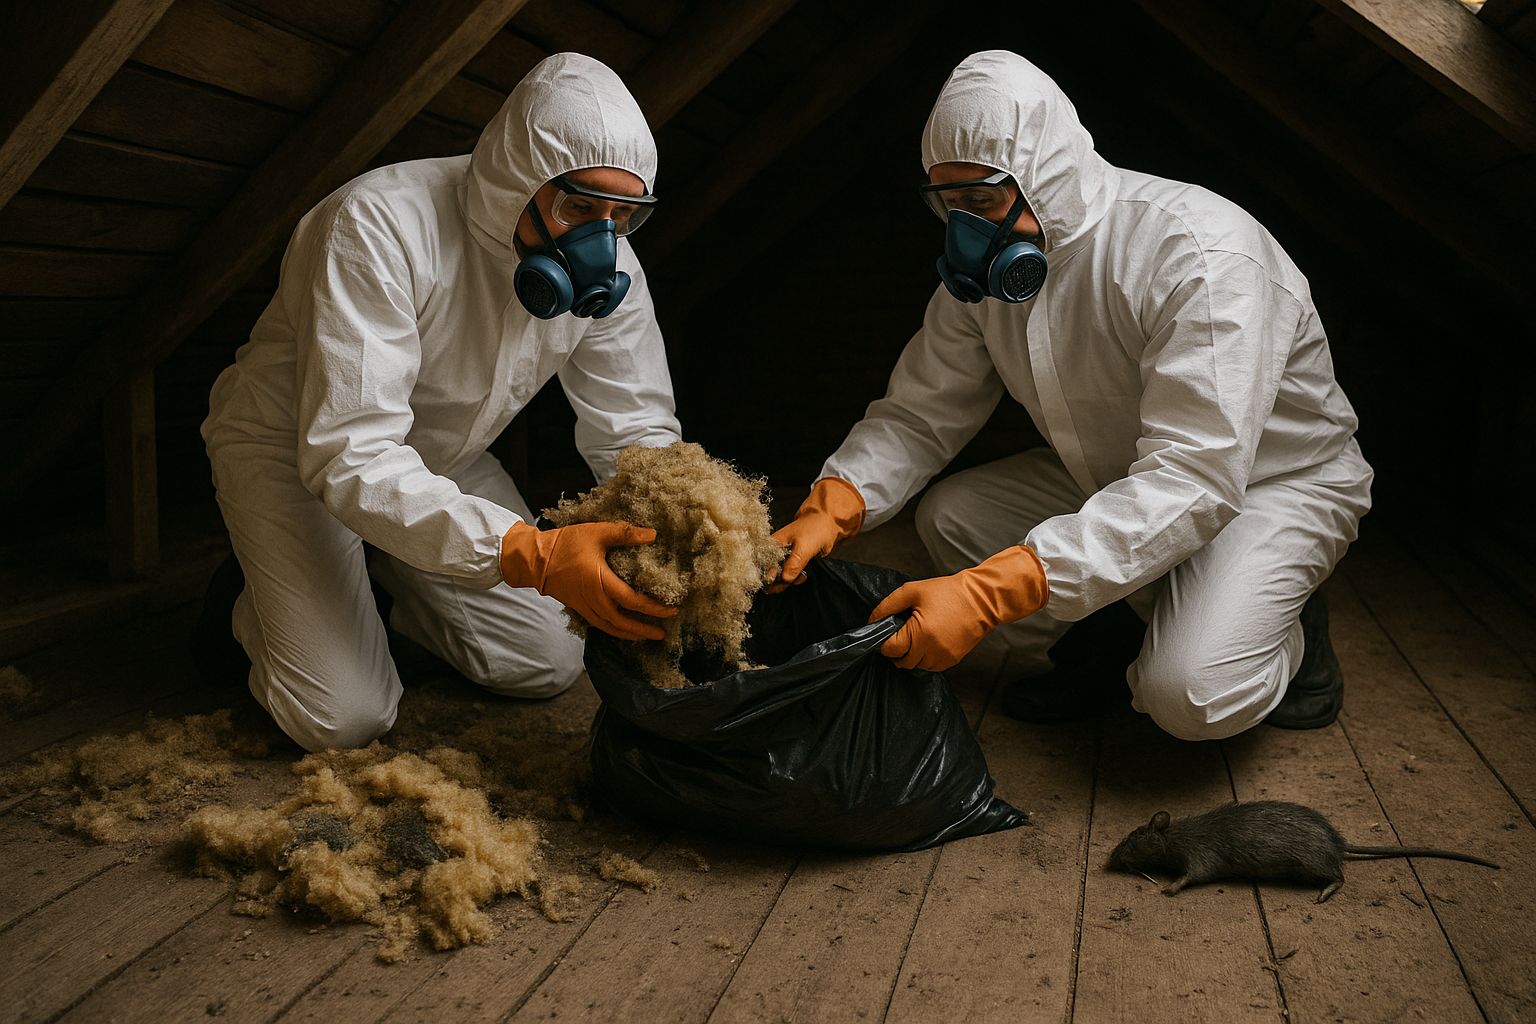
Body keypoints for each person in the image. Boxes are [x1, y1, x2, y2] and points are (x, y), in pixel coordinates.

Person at [772, 50, 1373, 741]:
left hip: (1268, 484)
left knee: (1188, 695)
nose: (964, 230)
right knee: (953, 517)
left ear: (1045, 176)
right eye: (948, 202)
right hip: (1121, 472)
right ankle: (1109, 639)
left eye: (981, 200)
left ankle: (1287, 638)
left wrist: (989, 593)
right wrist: (834, 503)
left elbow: (1196, 475)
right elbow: (919, 413)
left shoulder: (1200, 256)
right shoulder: (989, 276)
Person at [194, 53, 682, 752]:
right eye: (580, 205)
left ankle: (382, 573)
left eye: (624, 214)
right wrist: (530, 554)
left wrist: (681, 538)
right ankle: (255, 604)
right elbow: (352, 453)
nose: (601, 240)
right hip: (300, 451)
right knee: (344, 719)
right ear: (521, 180)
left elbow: (635, 426)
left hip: (442, 458)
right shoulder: (375, 225)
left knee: (546, 663)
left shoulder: (615, 264)